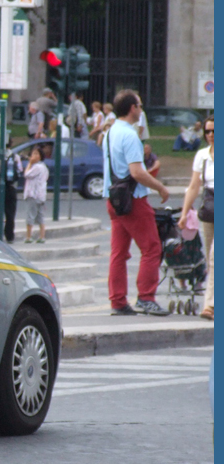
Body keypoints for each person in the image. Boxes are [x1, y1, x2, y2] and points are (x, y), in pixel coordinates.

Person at [102, 89, 170, 316]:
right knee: (152, 248)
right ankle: (146, 298)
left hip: (113, 199)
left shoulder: (111, 132)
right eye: (139, 105)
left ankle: (118, 301)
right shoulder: (130, 135)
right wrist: (160, 186)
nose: (141, 109)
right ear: (132, 109)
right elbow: (137, 172)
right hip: (133, 199)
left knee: (119, 252)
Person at [179, 118, 214, 321]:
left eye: (214, 131)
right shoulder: (202, 155)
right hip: (210, 209)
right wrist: (184, 213)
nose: (210, 135)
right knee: (210, 257)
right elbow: (194, 186)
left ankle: (210, 305)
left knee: (215, 257)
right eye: (207, 131)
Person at [23, 147, 48, 243]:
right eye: (33, 154)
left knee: (30, 215)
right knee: (40, 215)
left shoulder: (37, 167)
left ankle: (28, 237)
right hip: (41, 195)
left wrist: (29, 163)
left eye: (36, 154)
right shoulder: (44, 167)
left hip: (33, 194)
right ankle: (42, 236)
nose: (34, 156)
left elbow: (27, 174)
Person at [2, 137, 22, 243]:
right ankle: (9, 236)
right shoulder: (15, 157)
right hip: (11, 188)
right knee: (10, 213)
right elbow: (19, 171)